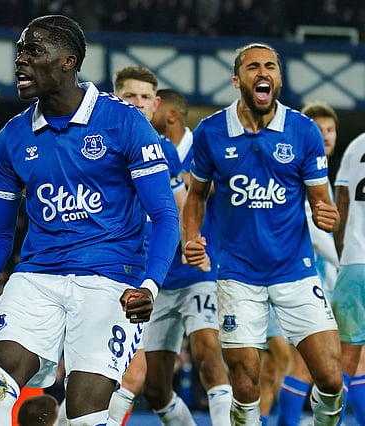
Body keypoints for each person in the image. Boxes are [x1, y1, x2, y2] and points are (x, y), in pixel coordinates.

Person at [0, 14, 180, 426]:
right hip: (37, 277)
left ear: (68, 61)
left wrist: (150, 284)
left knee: (84, 412)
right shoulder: (11, 138)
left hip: (111, 280)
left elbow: (165, 215)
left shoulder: (124, 122)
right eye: (19, 51)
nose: (20, 60)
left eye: (33, 51)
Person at [181, 42, 344, 425]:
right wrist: (191, 237)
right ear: (237, 79)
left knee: (331, 378)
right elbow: (196, 196)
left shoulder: (302, 130)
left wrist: (328, 216)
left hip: (296, 272)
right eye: (253, 66)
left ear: (279, 78)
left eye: (270, 66)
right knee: (245, 384)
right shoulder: (211, 131)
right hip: (238, 275)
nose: (263, 72)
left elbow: (322, 205)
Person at [140, 82, 233, 425]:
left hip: (201, 273)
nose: (148, 112)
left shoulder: (204, 149)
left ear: (171, 115)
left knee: (208, 355)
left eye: (154, 106)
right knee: (155, 388)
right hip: (158, 278)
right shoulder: (146, 150)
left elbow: (221, 193)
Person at [108, 65, 187, 426]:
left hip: (141, 276)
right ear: (115, 98)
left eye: (144, 97)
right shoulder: (99, 143)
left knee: (128, 375)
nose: (137, 103)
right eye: (129, 96)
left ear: (156, 104)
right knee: (129, 373)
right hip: (104, 268)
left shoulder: (165, 152)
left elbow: (178, 210)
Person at [275, 101, 341, 425]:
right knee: (305, 365)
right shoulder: (297, 171)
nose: (325, 136)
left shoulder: (321, 174)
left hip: (319, 282)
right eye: (318, 129)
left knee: (326, 365)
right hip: (296, 280)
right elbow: (313, 230)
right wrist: (344, 263)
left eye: (330, 130)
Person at [332, 131, 365, 425]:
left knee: (345, 359)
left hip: (354, 263)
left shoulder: (356, 145)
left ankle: (334, 421)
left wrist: (343, 256)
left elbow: (340, 202)